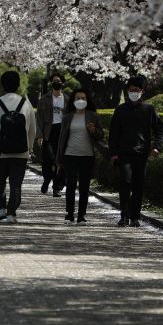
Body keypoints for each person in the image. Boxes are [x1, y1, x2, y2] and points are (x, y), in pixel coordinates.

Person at [108, 75, 163, 227]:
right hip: (124, 152)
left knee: (139, 184)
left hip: (142, 152)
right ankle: (124, 214)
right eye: (131, 90)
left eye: (136, 90)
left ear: (142, 91)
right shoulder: (121, 110)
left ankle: (135, 216)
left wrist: (157, 146)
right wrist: (113, 153)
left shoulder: (149, 109)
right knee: (125, 181)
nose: (134, 92)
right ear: (127, 91)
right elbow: (114, 133)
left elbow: (160, 129)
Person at [0, 69, 36, 223]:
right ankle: (11, 213)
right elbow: (32, 129)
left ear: (2, 85)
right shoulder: (26, 103)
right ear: (18, 84)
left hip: (1, 151)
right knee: (16, 183)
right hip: (21, 152)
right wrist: (29, 147)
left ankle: (1, 209)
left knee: (0, 180)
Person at [55, 88, 105, 224]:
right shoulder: (67, 117)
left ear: (87, 101)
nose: (81, 101)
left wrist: (93, 129)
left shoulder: (93, 116)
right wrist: (59, 159)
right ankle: (69, 214)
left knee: (84, 187)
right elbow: (62, 138)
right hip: (70, 155)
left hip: (87, 155)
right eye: (78, 98)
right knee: (70, 184)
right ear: (73, 101)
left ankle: (81, 215)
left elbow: (101, 135)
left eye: (83, 98)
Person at [35, 72, 68, 196]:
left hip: (63, 131)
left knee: (61, 159)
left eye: (58, 80)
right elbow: (39, 119)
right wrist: (39, 136)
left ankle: (57, 187)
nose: (56, 82)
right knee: (48, 158)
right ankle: (47, 178)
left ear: (63, 83)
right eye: (54, 81)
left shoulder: (68, 100)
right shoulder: (44, 99)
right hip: (49, 131)